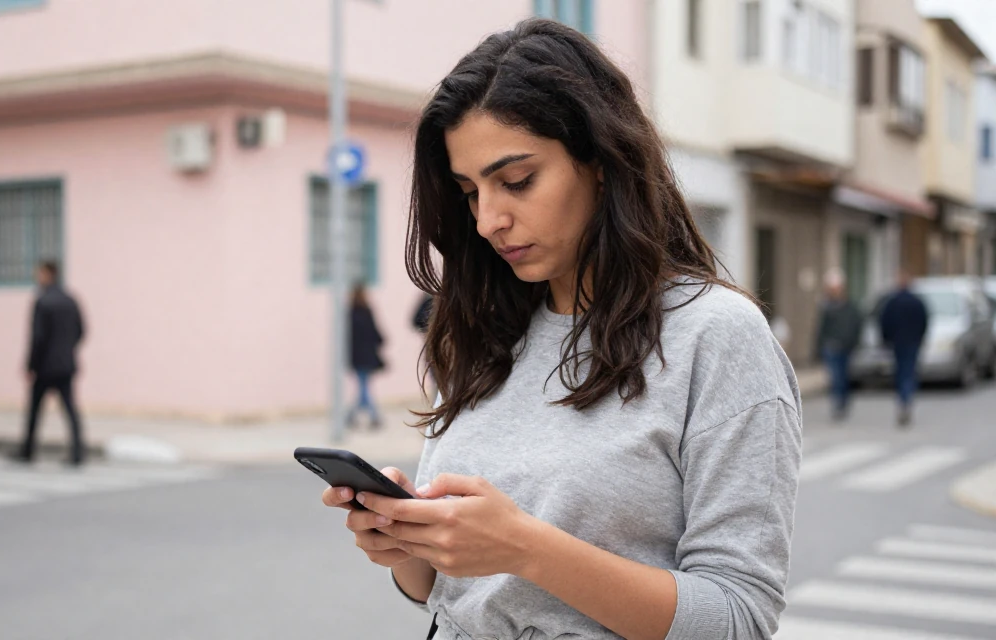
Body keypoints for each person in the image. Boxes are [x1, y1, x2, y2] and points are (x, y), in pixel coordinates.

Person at [318, 19, 801, 640]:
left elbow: (738, 617)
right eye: (470, 192)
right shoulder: (482, 330)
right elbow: (449, 594)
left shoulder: (716, 336)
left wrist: (525, 548)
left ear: (600, 161)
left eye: (517, 181)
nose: (489, 220)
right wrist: (409, 544)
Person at [11, 260, 87, 465]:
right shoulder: (71, 300)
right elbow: (81, 331)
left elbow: (37, 338)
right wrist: (67, 349)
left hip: (45, 366)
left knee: (35, 410)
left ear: (47, 274)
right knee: (70, 410)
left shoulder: (42, 301)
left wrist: (31, 365)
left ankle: (28, 450)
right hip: (66, 363)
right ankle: (78, 452)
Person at [880, 271, 929, 427]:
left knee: (901, 371)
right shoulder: (916, 301)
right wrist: (920, 338)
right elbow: (924, 321)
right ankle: (906, 399)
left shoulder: (892, 302)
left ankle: (903, 399)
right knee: (909, 371)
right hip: (912, 342)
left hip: (898, 343)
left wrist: (886, 339)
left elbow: (884, 321)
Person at [813, 271, 863, 422]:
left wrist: (853, 342)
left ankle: (843, 401)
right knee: (835, 377)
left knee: (844, 375)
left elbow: (857, 325)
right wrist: (817, 347)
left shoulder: (850, 307)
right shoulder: (827, 307)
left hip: (846, 347)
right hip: (831, 347)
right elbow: (821, 329)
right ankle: (837, 403)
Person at [349, 284, 385, 429]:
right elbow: (375, 333)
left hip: (357, 356)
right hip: (367, 355)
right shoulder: (365, 312)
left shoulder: (351, 313)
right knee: (363, 387)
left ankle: (351, 416)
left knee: (363, 386)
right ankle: (371, 415)